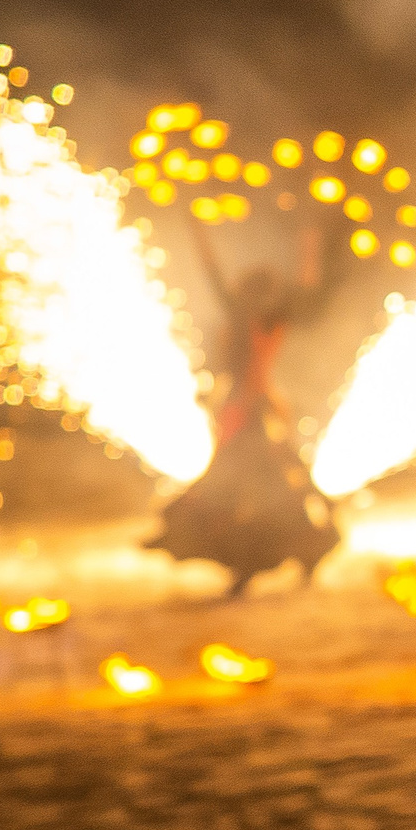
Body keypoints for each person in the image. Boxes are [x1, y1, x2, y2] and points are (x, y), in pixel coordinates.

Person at [149, 221, 340, 595]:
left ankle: (272, 555)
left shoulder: (256, 320)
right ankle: (304, 545)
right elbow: (298, 292)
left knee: (246, 487)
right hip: (250, 411)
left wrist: (310, 251)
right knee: (268, 485)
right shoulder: (253, 319)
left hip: (251, 414)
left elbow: (302, 293)